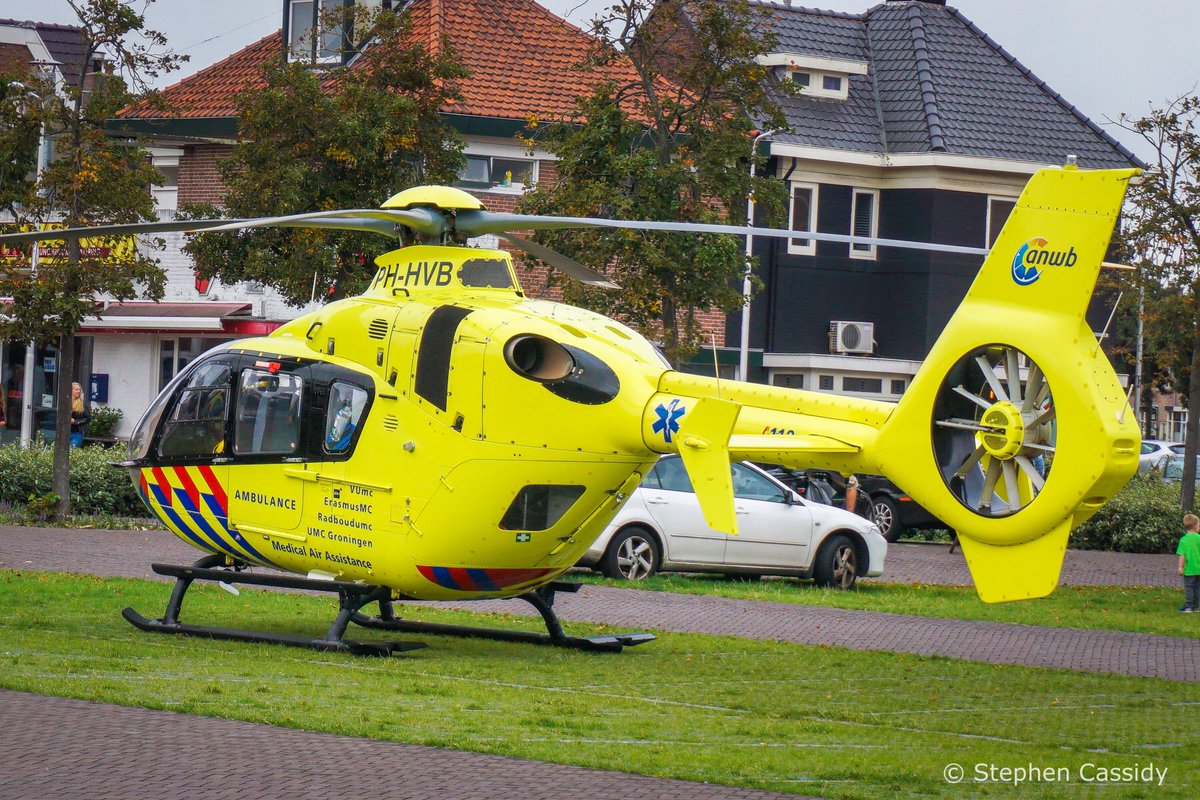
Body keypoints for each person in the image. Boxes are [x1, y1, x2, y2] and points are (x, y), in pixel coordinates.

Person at [1177, 513, 1200, 613]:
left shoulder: (1183, 540)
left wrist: (1180, 567)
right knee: (1197, 587)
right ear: (1195, 526)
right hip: (1198, 568)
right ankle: (1196, 606)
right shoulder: (1199, 538)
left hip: (1189, 569)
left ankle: (1188, 606)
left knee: (1189, 587)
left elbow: (1182, 555)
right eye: (1199, 525)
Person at [69, 382, 90, 448]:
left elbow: (87, 418)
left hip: (77, 433)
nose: (78, 391)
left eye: (79, 390)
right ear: (71, 390)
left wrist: (76, 422)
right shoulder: (66, 403)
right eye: (76, 389)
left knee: (72, 449)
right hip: (65, 432)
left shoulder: (82, 404)